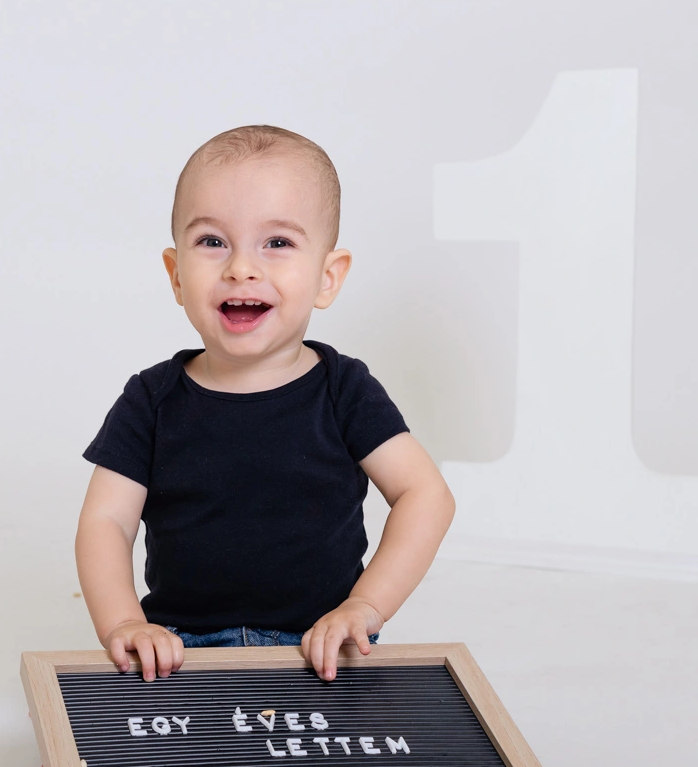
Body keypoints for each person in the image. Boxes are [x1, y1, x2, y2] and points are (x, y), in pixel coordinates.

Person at [76, 125, 455, 682]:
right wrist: (124, 623)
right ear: (176, 275)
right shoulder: (150, 400)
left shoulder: (344, 390)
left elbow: (425, 495)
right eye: (212, 242)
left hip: (322, 646)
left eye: (277, 243)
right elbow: (107, 521)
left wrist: (364, 606)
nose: (241, 268)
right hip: (179, 648)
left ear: (327, 278)